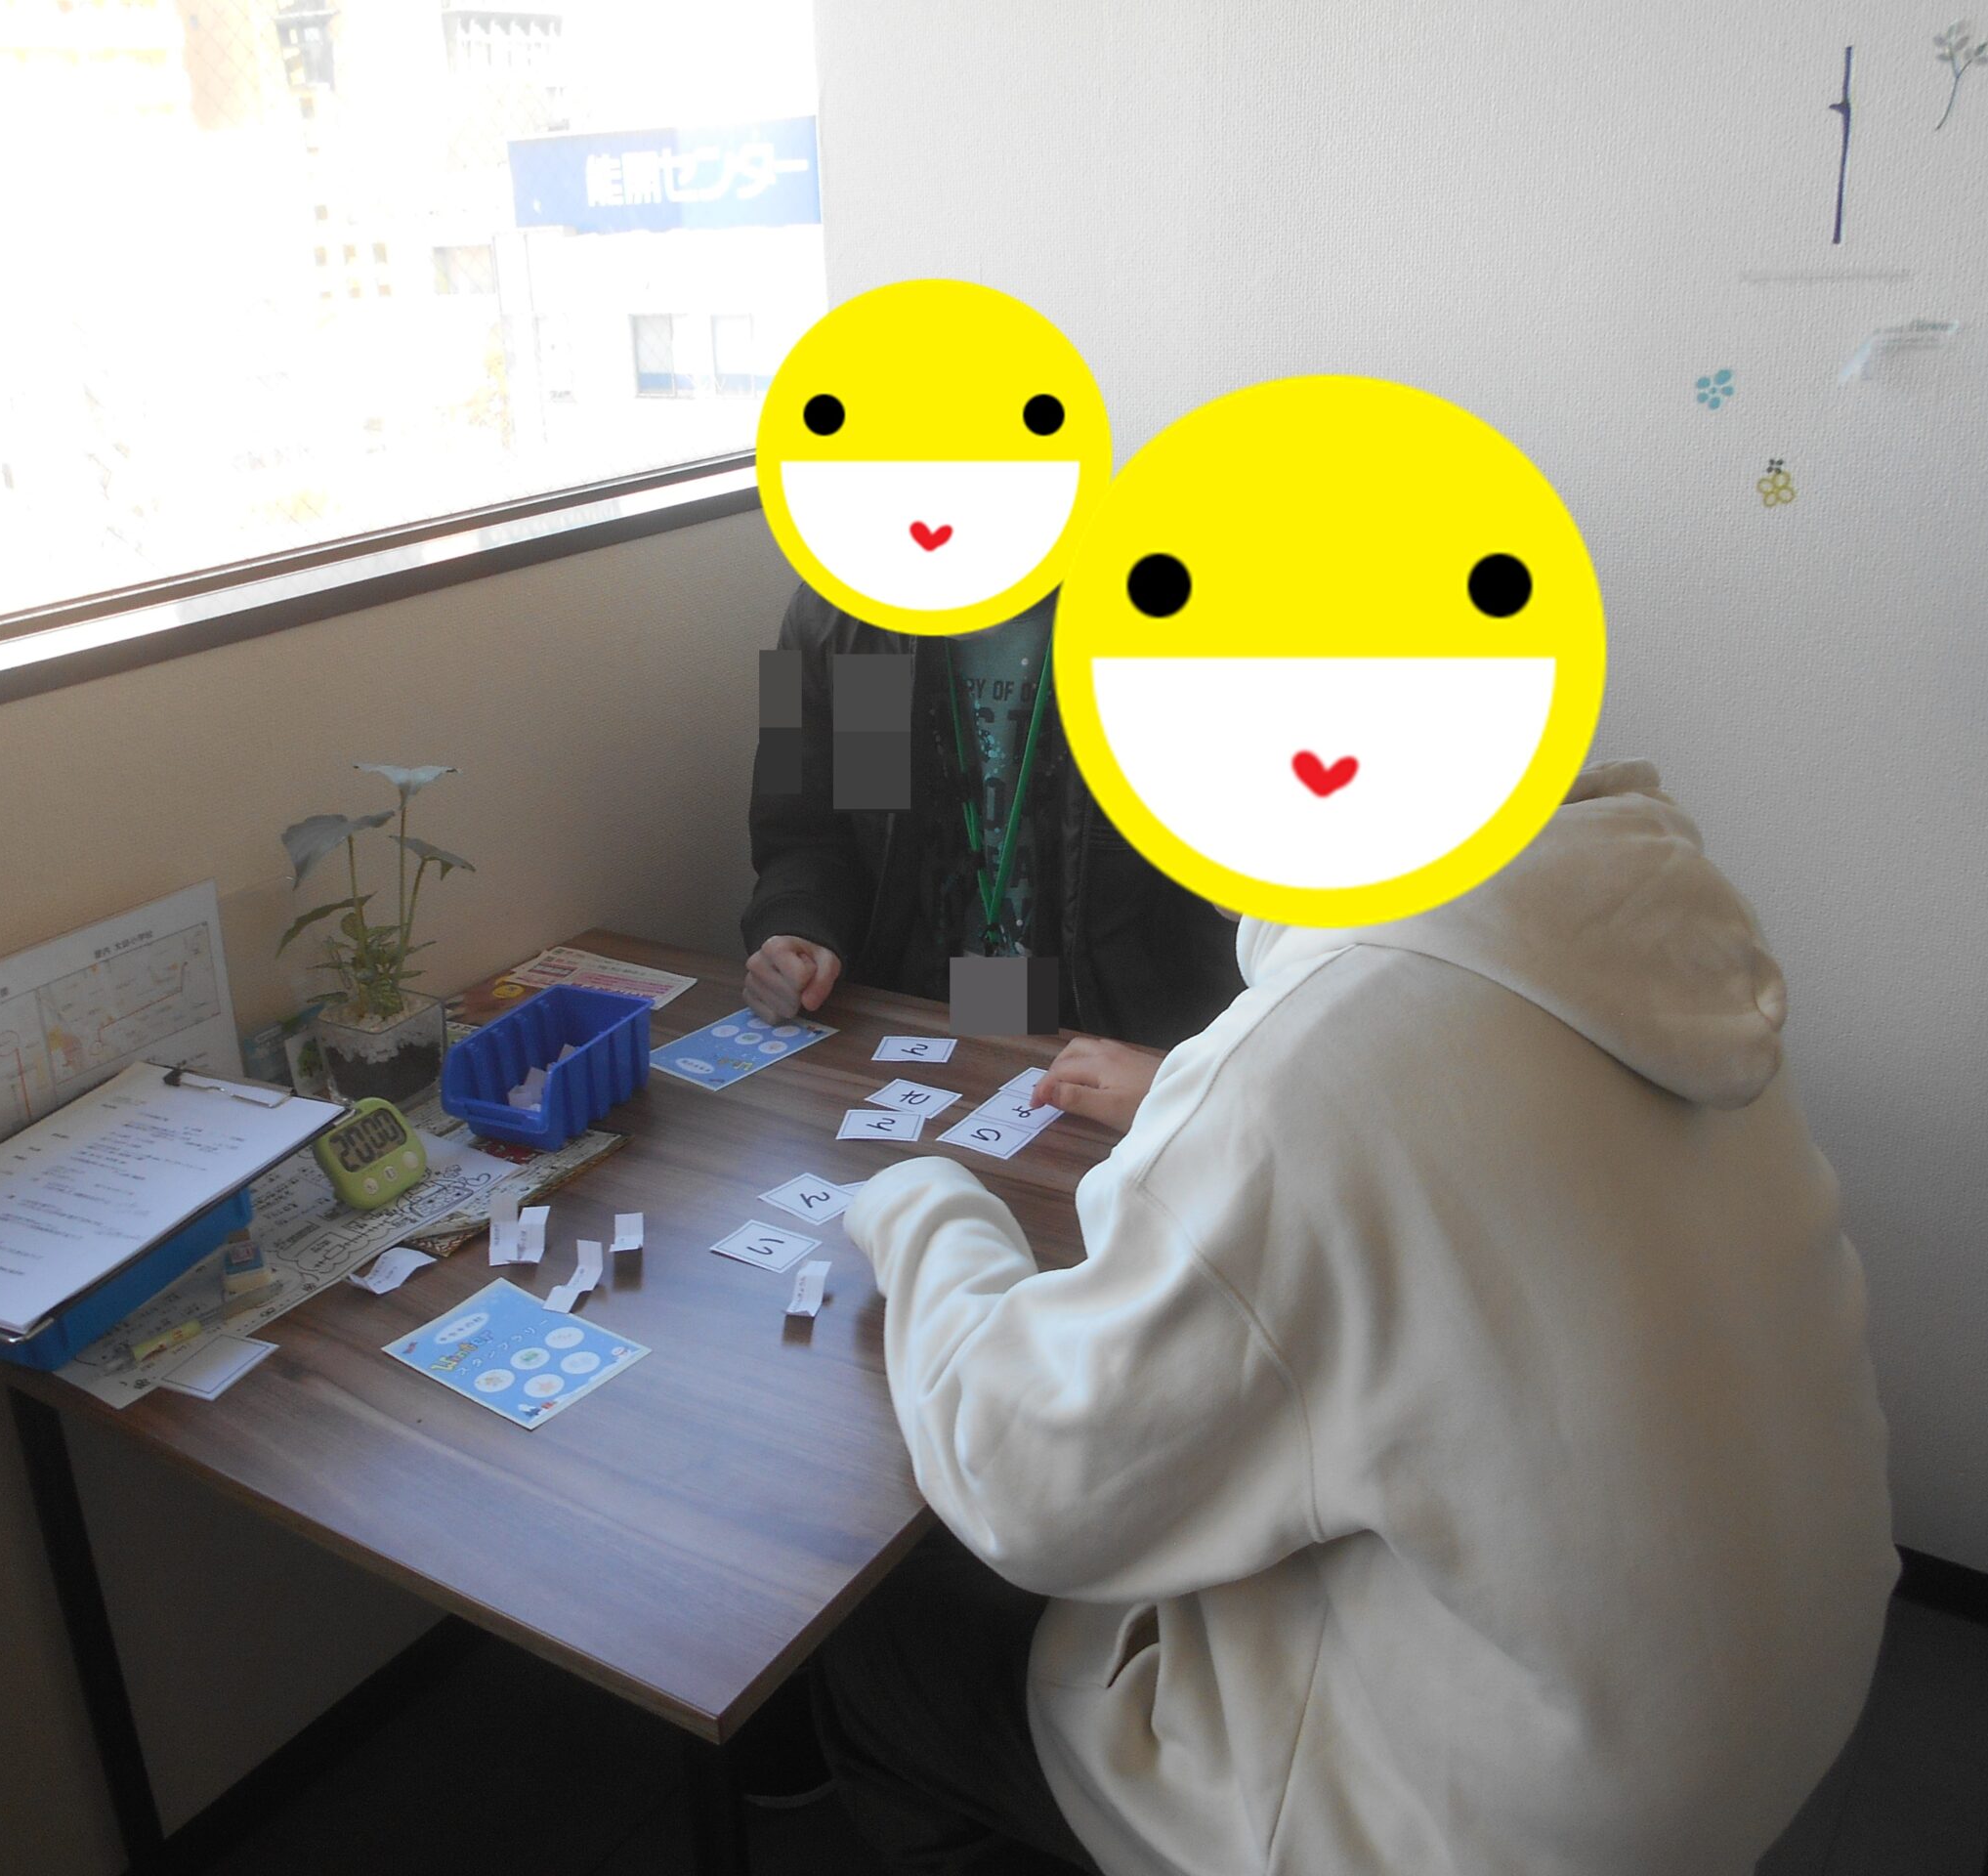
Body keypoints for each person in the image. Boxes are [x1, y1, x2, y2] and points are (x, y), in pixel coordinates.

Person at [817, 760, 1899, 1876]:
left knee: (891, 1640)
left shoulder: (1307, 1069)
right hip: (1780, 1694)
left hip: (1527, 1821)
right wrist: (1214, 1086)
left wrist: (921, 1200)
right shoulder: (1634, 925)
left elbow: (1024, 1485)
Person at [741, 581, 1243, 1046]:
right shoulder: (822, 616)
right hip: (909, 1012)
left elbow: (1237, 900)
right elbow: (793, 834)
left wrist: (1206, 1059)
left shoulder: (1195, 607)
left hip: (1120, 1035)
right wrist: (796, 926)